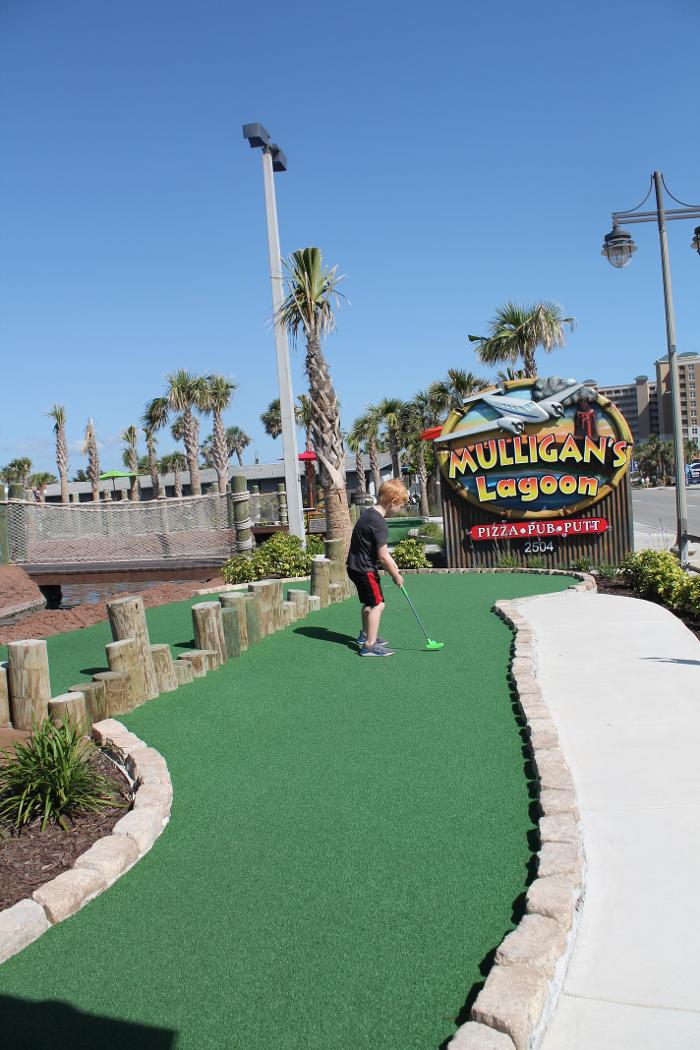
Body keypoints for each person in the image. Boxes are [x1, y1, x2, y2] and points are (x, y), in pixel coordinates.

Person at [346, 478, 408, 657]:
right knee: (378, 604)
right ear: (393, 502)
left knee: (368, 603)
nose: (400, 510)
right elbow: (382, 556)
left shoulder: (368, 514)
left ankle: (365, 635)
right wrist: (396, 576)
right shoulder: (380, 523)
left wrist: (392, 562)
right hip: (365, 570)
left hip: (354, 567)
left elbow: (381, 552)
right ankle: (369, 645)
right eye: (401, 506)